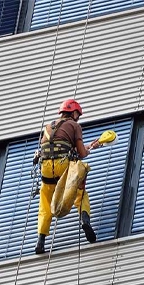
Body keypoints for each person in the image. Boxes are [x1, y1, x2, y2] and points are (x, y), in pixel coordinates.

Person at [35, 99, 100, 254]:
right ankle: (85, 221)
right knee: (80, 193)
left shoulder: (48, 127)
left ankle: (41, 240)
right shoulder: (74, 126)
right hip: (63, 165)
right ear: (73, 113)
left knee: (45, 204)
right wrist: (89, 149)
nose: (78, 117)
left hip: (46, 168)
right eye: (78, 114)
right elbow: (82, 154)